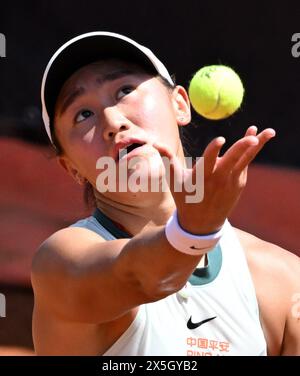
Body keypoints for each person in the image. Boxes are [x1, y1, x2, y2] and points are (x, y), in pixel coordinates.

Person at [32, 31, 300, 356]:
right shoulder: (59, 262)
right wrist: (192, 231)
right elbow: (135, 276)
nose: (112, 121)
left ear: (180, 105)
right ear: (70, 168)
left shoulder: (282, 281)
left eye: (125, 90)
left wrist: (194, 229)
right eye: (83, 114)